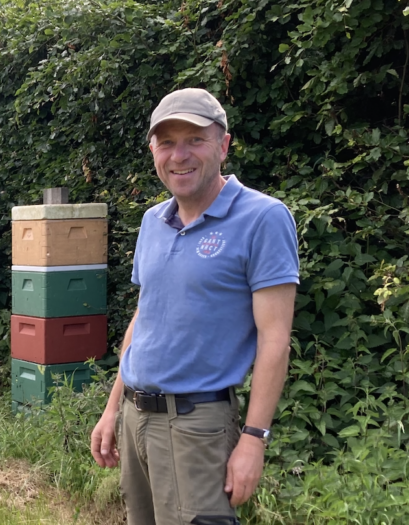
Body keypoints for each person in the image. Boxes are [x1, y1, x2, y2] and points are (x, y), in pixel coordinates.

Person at [90, 88, 299, 524]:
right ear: (153, 151)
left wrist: (254, 438)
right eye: (166, 143)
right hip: (135, 418)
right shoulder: (152, 221)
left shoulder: (263, 217)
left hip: (197, 425)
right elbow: (143, 319)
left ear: (223, 145)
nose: (179, 155)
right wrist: (113, 409)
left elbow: (275, 338)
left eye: (195, 140)